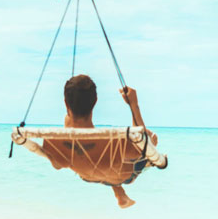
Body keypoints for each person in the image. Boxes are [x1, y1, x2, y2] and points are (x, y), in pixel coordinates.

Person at [13, 75, 157, 209]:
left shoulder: (53, 141)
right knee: (151, 139)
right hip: (123, 176)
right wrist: (134, 105)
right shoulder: (116, 141)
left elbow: (58, 165)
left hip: (88, 176)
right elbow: (144, 146)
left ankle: (119, 194)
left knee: (72, 125)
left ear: (65, 102)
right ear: (95, 101)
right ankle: (119, 190)